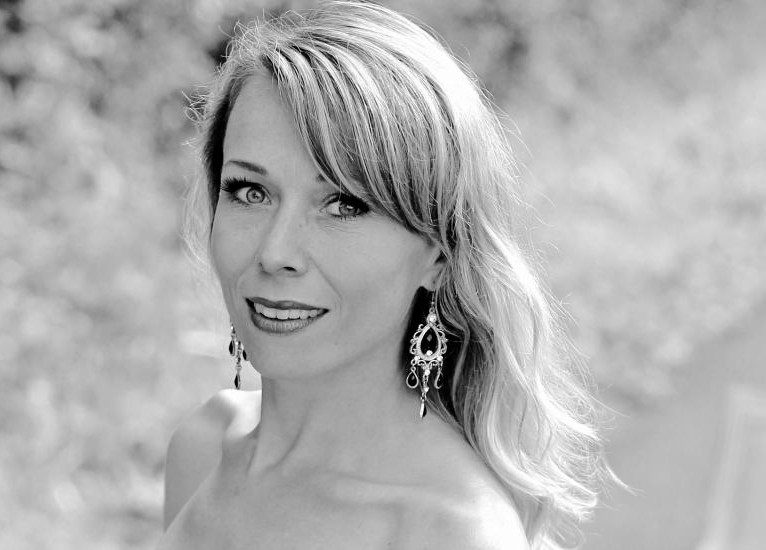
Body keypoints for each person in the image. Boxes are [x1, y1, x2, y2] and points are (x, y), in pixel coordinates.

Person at [160, 2, 613, 549]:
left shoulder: (453, 533)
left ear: (440, 254)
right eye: (250, 192)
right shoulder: (203, 448)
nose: (274, 253)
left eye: (344, 204)